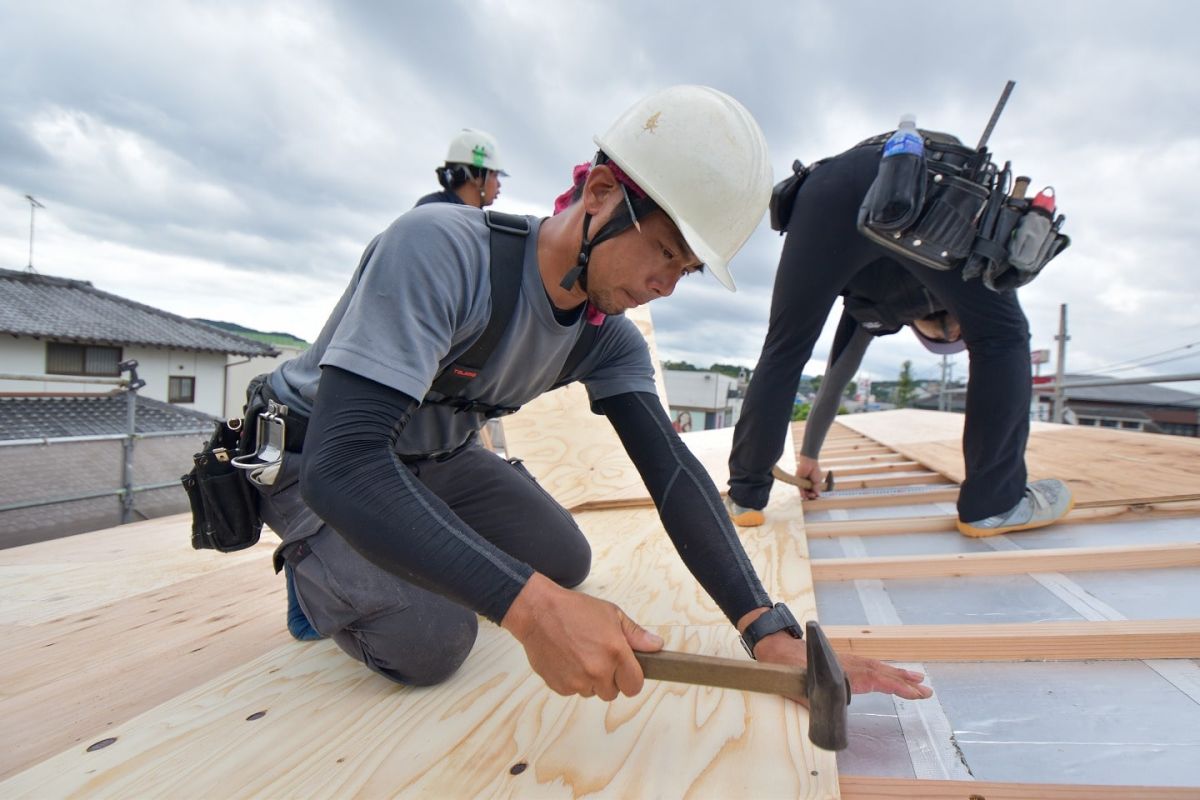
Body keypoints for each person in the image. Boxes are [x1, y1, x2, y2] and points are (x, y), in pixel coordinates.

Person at [250, 85, 930, 704]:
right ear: (600, 193)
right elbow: (345, 463)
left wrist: (767, 629)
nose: (667, 284)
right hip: (320, 457)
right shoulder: (441, 248)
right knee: (432, 643)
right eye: (665, 249)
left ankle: (396, 538)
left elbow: (673, 473)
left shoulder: (609, 337)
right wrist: (531, 610)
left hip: (432, 458)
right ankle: (317, 580)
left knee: (564, 560)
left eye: (687, 270)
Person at [728, 131, 1074, 537]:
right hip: (922, 184)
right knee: (1003, 337)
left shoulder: (873, 308)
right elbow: (836, 382)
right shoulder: (952, 272)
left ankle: (746, 496)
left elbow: (835, 379)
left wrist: (809, 455)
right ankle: (994, 503)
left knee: (784, 349)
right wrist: (808, 455)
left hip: (824, 187)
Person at [415, 128, 506, 208]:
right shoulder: (432, 210)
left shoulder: (475, 219)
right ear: (477, 178)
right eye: (495, 175)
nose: (498, 184)